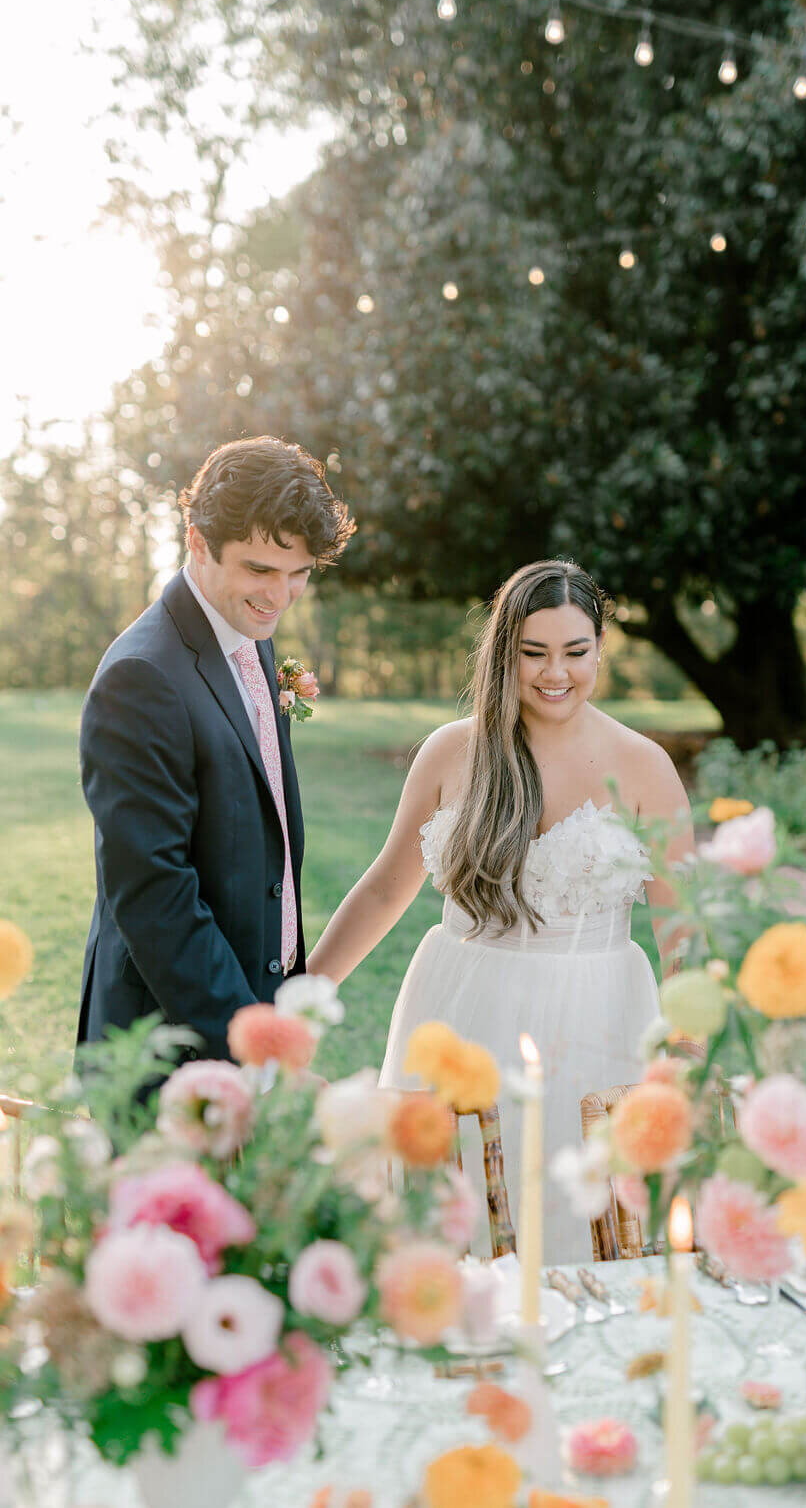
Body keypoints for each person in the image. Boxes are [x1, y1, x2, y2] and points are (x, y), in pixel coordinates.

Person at [308, 559, 692, 1260]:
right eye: (534, 652)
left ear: (600, 649)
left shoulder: (642, 767)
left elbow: (682, 932)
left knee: (587, 1227)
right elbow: (387, 886)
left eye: (576, 652)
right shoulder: (454, 752)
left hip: (598, 1016)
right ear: (504, 650)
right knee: (455, 1227)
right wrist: (300, 999)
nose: (557, 672)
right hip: (461, 1009)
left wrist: (690, 1056)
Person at [78, 435, 354, 1064]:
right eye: (260, 570)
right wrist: (254, 1049)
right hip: (168, 1044)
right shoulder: (141, 677)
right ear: (197, 541)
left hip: (254, 1004)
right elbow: (155, 896)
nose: (279, 597)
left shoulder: (245, 631)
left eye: (299, 576)